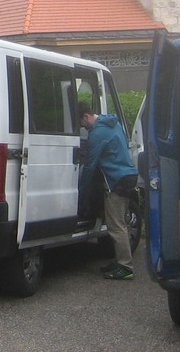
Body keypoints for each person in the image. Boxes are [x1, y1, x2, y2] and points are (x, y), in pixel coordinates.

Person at [78, 102, 138, 280]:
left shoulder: (97, 133)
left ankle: (125, 267)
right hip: (128, 175)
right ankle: (119, 261)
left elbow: (90, 165)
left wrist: (81, 192)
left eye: (81, 123)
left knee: (116, 226)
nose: (82, 127)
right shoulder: (113, 123)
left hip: (116, 181)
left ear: (86, 116)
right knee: (121, 223)